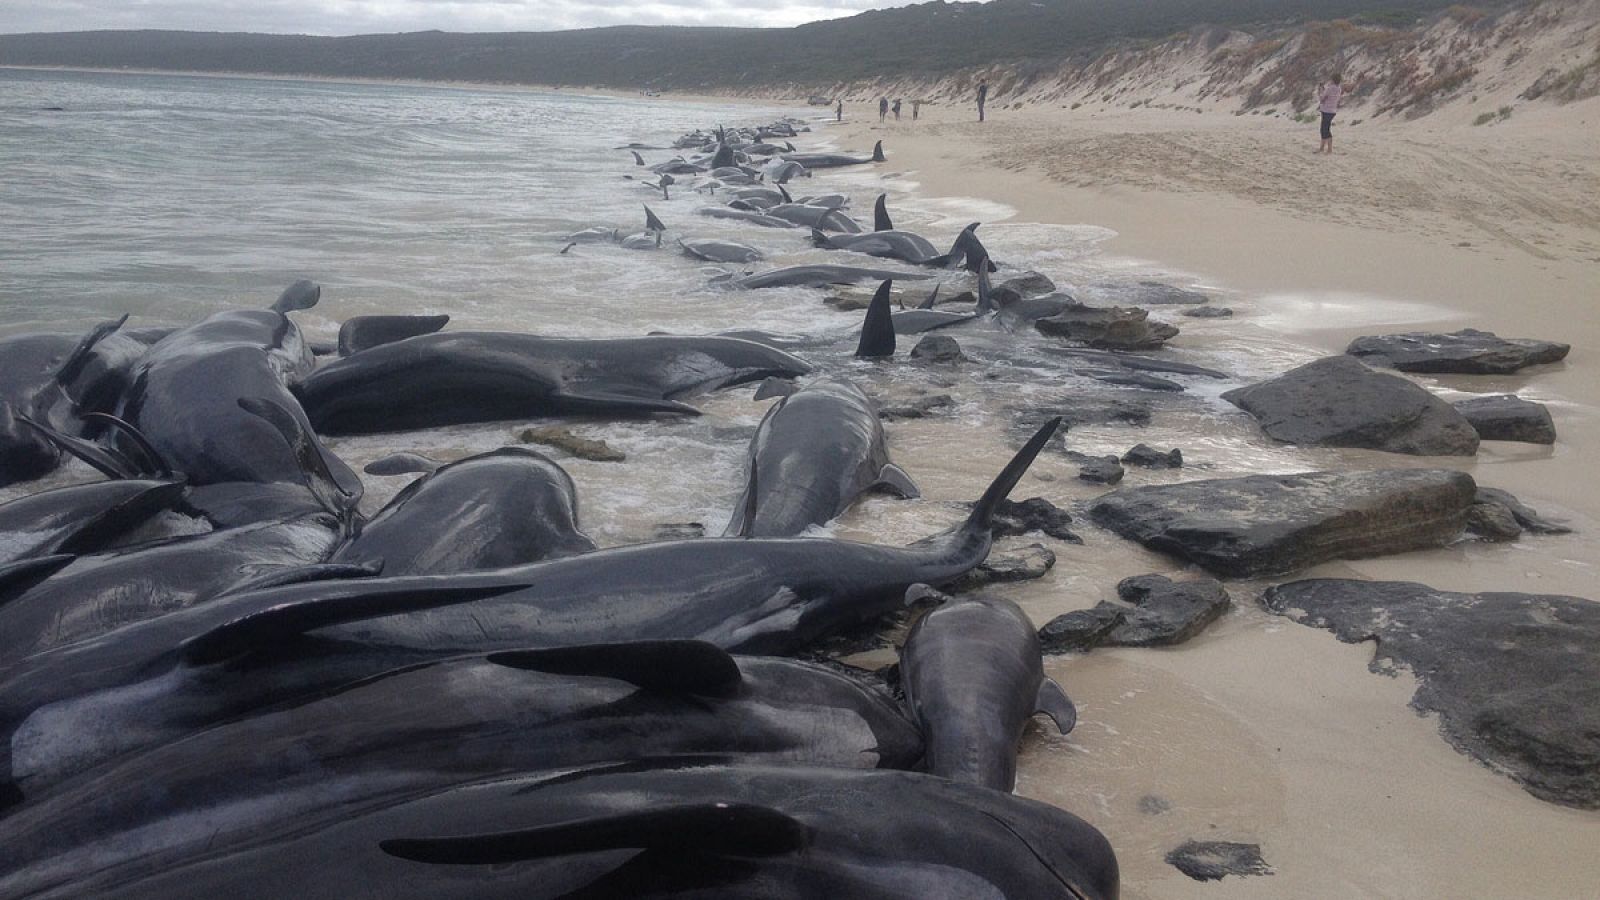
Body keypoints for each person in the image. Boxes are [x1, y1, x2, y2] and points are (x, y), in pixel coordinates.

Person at [1316, 73, 1350, 154]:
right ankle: (1323, 148)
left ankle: (1328, 149)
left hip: (1326, 110)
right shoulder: (1339, 88)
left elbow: (1322, 98)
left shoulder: (1330, 88)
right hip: (1332, 110)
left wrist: (1320, 90)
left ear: (1332, 80)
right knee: (1325, 129)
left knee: (1325, 129)